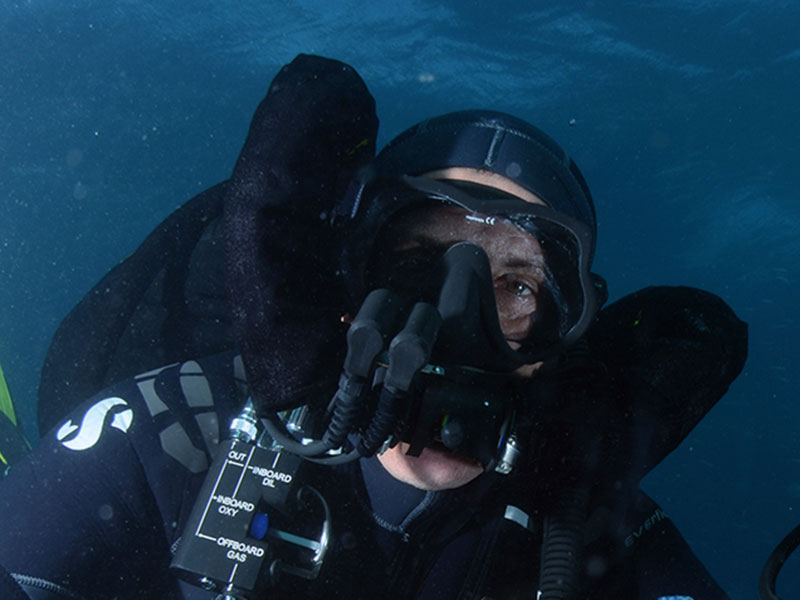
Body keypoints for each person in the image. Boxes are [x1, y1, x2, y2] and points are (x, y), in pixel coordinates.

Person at [0, 54, 747, 599]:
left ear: (562, 335)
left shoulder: (588, 532)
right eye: (418, 268)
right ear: (346, 285)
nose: (455, 323)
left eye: (517, 287)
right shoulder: (173, 437)